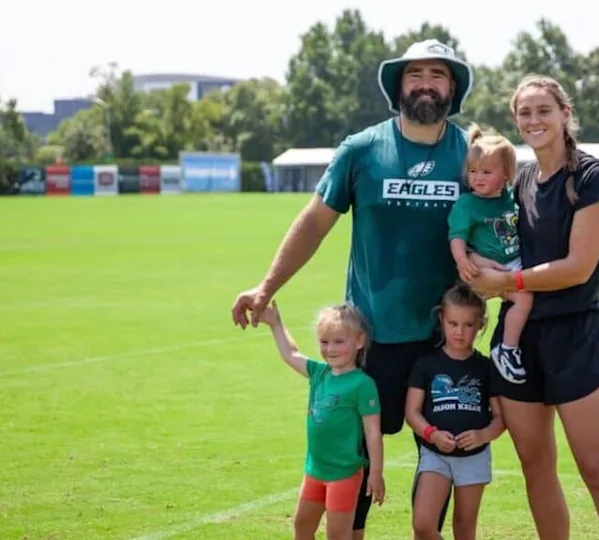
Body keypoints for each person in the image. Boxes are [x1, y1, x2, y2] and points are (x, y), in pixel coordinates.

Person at [231, 39, 473, 538]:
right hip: (372, 335)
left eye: (438, 75)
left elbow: (496, 227)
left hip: (445, 338)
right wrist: (266, 285)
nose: (426, 84)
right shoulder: (362, 150)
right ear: (398, 86)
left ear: (453, 87)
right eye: (415, 75)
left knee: (442, 450)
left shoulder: (471, 155)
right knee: (355, 451)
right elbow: (316, 222)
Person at [464, 75, 599, 540]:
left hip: (575, 336)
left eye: (544, 110)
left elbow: (577, 268)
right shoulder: (520, 180)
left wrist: (506, 281)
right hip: (519, 340)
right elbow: (496, 240)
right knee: (535, 466)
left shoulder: (591, 177)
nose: (534, 120)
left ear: (565, 114)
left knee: (598, 470)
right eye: (524, 113)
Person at [258, 300, 385, 540]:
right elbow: (291, 353)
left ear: (359, 341)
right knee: (302, 527)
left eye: (339, 341)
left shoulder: (362, 384)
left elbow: (372, 432)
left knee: (338, 535)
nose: (331, 349)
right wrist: (275, 323)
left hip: (344, 474)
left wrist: (376, 473)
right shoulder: (319, 373)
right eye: (324, 342)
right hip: (315, 470)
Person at [404, 284, 505, 540]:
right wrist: (431, 434)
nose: (460, 332)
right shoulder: (426, 364)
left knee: (464, 526)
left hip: (474, 457)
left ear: (480, 325)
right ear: (442, 319)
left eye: (469, 325)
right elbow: (412, 412)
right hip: (435, 455)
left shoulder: (485, 367)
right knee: (423, 524)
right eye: (453, 323)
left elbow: (501, 418)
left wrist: (483, 436)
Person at [447, 124, 532, 384]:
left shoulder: (510, 198)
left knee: (532, 291)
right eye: (472, 172)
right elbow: (456, 237)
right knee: (525, 297)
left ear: (506, 174)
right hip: (485, 268)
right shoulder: (467, 204)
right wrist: (463, 260)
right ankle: (507, 348)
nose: (477, 178)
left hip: (512, 261)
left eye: (486, 171)